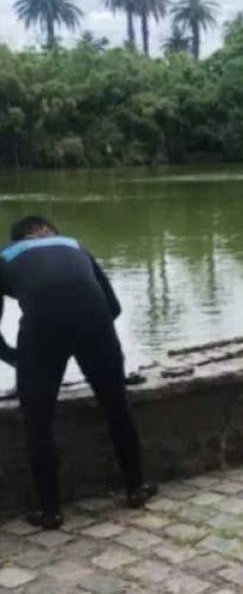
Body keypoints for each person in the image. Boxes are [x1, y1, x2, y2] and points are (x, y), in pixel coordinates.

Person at [0, 216, 156, 529]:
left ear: (18, 239)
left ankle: (51, 511)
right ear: (48, 231)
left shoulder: (5, 256)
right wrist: (91, 340)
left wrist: (18, 359)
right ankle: (136, 488)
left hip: (41, 331)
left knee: (38, 423)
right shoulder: (74, 245)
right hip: (94, 323)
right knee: (117, 407)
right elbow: (113, 306)